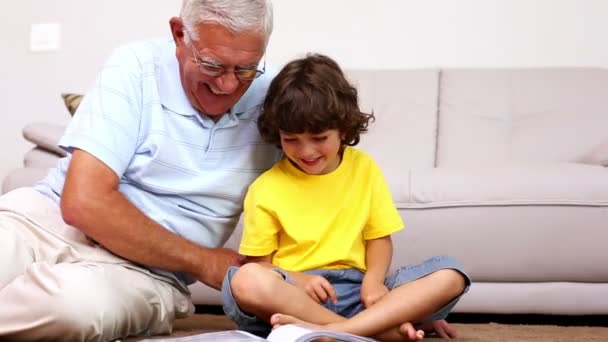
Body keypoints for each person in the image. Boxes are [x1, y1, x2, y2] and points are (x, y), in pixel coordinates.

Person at [0, 0, 279, 341]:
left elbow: (331, 178)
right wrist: (206, 262)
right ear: (179, 35)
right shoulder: (136, 64)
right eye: (212, 64)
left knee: (73, 308)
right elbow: (83, 203)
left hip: (147, 273)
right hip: (45, 222)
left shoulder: (278, 101)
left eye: (247, 69)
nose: (228, 86)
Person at [221, 54, 471, 341]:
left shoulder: (363, 168)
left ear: (343, 128)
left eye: (319, 138)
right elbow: (260, 265)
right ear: (278, 134)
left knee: (451, 273)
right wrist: (301, 281)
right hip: (295, 295)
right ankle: (376, 330)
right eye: (292, 139)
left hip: (358, 292)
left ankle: (335, 332)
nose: (306, 151)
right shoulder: (266, 188)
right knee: (244, 279)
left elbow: (378, 238)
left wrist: (374, 282)